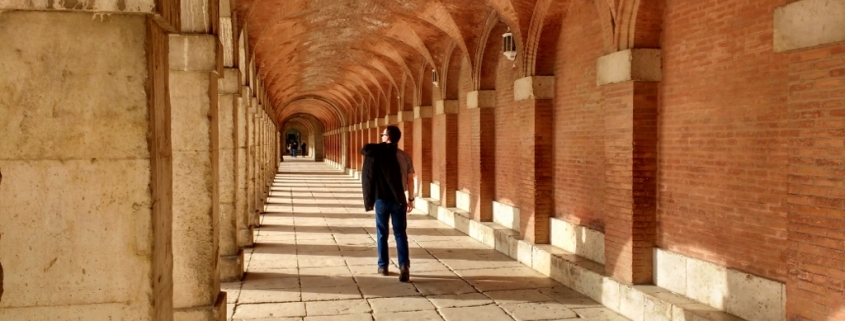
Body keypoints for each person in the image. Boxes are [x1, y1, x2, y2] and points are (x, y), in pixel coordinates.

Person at [360, 125, 415, 282]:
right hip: (399, 200)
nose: (381, 137)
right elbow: (410, 180)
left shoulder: (376, 155)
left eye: (383, 135)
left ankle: (383, 266)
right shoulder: (404, 156)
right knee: (400, 234)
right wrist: (410, 199)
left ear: (388, 137)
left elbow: (369, 177)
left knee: (382, 233)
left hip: (382, 200)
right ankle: (404, 266)